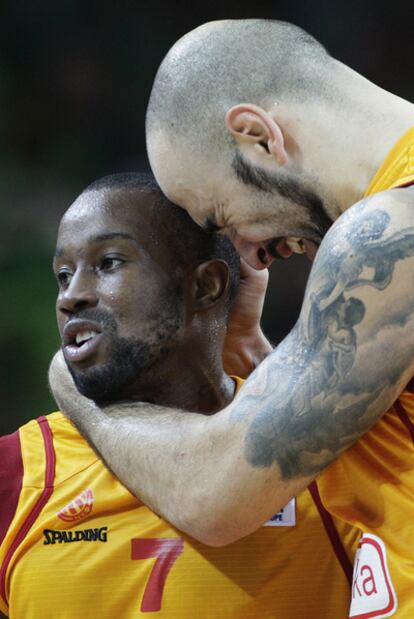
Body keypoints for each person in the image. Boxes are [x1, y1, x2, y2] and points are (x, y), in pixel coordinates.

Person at [50, 19, 414, 618]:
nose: (247, 254)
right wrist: (250, 353)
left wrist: (75, 385)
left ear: (257, 136)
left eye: (221, 217)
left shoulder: (385, 236)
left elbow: (216, 496)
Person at [0, 173, 356, 618]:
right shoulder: (16, 473)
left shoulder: (329, 462)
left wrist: (246, 341)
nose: (70, 297)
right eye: (63, 275)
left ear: (206, 286)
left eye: (108, 263)